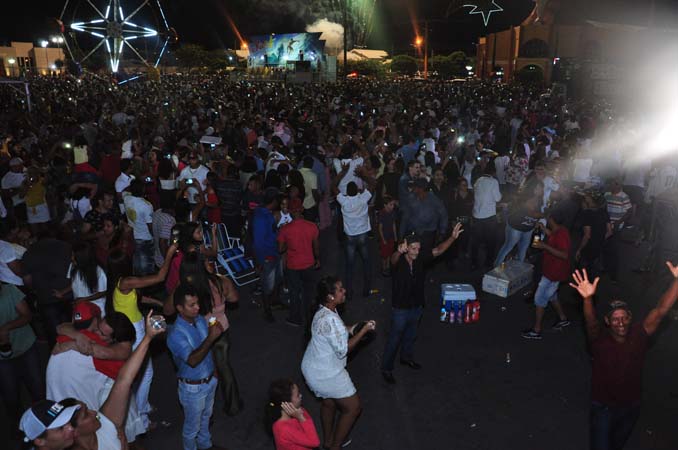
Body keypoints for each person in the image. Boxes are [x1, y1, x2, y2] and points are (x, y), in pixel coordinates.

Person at [20, 310, 165, 450]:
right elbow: (124, 377)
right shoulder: (88, 342)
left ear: (113, 340)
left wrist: (148, 338)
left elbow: (124, 378)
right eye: (61, 427)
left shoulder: (91, 346)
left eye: (103, 334)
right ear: (40, 441)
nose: (95, 413)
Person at [569, 263, 678, 450]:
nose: (620, 322)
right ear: (607, 321)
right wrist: (587, 299)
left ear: (630, 318)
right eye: (615, 319)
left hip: (630, 407)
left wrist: (677, 282)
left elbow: (661, 310)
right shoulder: (600, 341)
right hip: (603, 407)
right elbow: (591, 324)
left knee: (616, 444)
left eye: (624, 317)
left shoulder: (640, 334)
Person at [381, 223, 463, 384]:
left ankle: (406, 358)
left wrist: (452, 238)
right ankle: (386, 368)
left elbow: (438, 250)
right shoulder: (399, 260)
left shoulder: (420, 258)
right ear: (406, 248)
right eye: (413, 249)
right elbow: (392, 260)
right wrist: (398, 251)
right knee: (394, 338)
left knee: (411, 335)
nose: (416, 252)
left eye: (418, 248)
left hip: (417, 305)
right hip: (400, 308)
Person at [105, 244, 175, 430]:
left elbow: (137, 298)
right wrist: (169, 254)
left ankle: (142, 407)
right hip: (134, 330)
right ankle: (141, 416)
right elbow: (160, 277)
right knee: (145, 372)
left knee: (140, 371)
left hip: (132, 327)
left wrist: (158, 302)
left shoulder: (118, 282)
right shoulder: (126, 281)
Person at [301, 277, 376, 450]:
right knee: (354, 408)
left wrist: (353, 328)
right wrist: (364, 331)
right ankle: (335, 446)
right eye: (340, 289)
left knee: (329, 402)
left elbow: (336, 331)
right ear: (330, 296)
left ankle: (328, 442)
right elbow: (343, 349)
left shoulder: (323, 310)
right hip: (326, 373)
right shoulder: (330, 319)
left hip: (313, 368)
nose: (344, 291)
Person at [177, 251, 242, 416]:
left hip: (198, 333)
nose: (209, 263)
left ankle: (205, 411)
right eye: (206, 261)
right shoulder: (221, 281)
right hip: (219, 329)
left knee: (202, 371)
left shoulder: (187, 289)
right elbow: (234, 298)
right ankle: (233, 405)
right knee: (224, 366)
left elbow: (169, 309)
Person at [167, 284, 227, 450]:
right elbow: (192, 360)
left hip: (209, 380)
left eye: (197, 303)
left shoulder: (199, 319)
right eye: (191, 305)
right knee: (191, 428)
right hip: (193, 388)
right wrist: (211, 337)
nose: (198, 307)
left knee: (206, 418)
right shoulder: (176, 334)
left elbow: (207, 349)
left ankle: (205, 445)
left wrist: (214, 371)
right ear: (180, 308)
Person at [0, 282, 44, 439]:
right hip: (3, 358)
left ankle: (44, 423)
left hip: (26, 347)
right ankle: (19, 429)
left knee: (37, 388)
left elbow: (27, 315)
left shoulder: (9, 290)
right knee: (10, 395)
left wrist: (6, 328)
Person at [521, 211, 571, 340]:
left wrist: (545, 246)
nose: (547, 219)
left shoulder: (561, 234)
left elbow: (564, 255)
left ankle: (536, 330)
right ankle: (563, 319)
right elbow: (553, 237)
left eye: (548, 218)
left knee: (539, 298)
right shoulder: (559, 230)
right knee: (552, 295)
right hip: (552, 271)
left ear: (552, 220)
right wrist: (543, 229)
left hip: (553, 273)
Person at [277, 198, 320, 327]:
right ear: (302, 209)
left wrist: (288, 244)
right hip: (308, 263)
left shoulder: (285, 229)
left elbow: (280, 249)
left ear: (290, 211)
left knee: (294, 292)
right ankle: (310, 317)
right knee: (309, 292)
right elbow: (316, 247)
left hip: (293, 266)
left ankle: (295, 318)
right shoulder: (312, 226)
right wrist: (318, 259)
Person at [335, 165, 374, 299]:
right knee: (366, 262)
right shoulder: (363, 198)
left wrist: (343, 172)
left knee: (349, 265)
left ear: (346, 191)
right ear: (357, 190)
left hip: (350, 237)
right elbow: (373, 184)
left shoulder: (343, 201)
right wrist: (362, 175)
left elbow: (333, 186)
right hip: (363, 235)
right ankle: (366, 289)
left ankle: (349, 292)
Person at [494, 179, 544, 266]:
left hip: (528, 229)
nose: (540, 190)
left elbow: (536, 214)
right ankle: (496, 266)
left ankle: (519, 269)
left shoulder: (539, 200)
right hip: (516, 228)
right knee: (508, 247)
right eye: (538, 188)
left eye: (541, 188)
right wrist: (546, 214)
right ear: (533, 188)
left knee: (523, 250)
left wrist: (536, 221)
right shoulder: (526, 199)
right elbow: (533, 214)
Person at [252, 187, 283, 322]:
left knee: (278, 279)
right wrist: (260, 261)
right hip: (268, 256)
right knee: (267, 285)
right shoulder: (261, 217)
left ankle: (274, 302)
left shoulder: (266, 213)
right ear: (273, 201)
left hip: (275, 252)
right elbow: (258, 243)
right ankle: (267, 310)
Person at [54, 242, 108, 316]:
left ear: (82, 257)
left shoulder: (98, 271)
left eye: (74, 256)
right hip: (79, 308)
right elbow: (75, 283)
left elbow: (103, 292)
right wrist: (62, 292)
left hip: (96, 309)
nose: (71, 258)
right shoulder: (73, 266)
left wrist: (84, 299)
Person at [266, 378, 320, 450]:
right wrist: (301, 418)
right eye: (297, 395)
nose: (301, 395)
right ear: (287, 404)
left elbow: (309, 425)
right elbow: (315, 442)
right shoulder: (283, 429)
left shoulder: (298, 410)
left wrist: (301, 415)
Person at [471, 162, 502, 269]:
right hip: (489, 216)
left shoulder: (478, 181)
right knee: (491, 240)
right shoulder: (493, 182)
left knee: (476, 241)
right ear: (494, 172)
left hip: (477, 215)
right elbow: (498, 198)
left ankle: (473, 263)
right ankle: (488, 263)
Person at [123, 179, 155, 276]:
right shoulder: (146, 205)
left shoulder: (126, 198)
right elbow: (150, 226)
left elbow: (124, 190)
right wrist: (155, 237)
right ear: (143, 189)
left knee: (137, 262)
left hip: (133, 235)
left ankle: (136, 279)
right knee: (147, 265)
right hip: (145, 238)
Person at [377, 195, 397, 276]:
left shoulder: (392, 213)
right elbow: (380, 228)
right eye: (391, 204)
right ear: (385, 205)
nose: (393, 206)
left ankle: (388, 267)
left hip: (391, 237)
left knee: (389, 252)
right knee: (384, 254)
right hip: (384, 238)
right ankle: (383, 267)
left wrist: (395, 236)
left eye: (393, 204)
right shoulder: (382, 214)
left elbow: (393, 225)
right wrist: (383, 239)